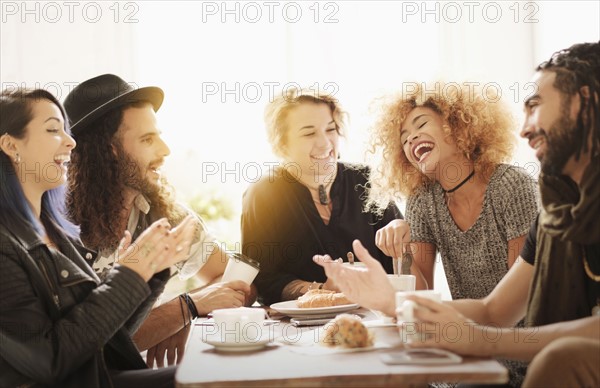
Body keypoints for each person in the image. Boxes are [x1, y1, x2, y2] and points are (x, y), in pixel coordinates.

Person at [316, 41, 600, 388]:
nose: (524, 129)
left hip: (516, 361)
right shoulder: (558, 215)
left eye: (536, 106)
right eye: (403, 137)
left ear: (586, 101)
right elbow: (494, 311)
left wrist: (480, 340)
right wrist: (393, 301)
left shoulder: (511, 186)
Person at [0, 88, 194, 387]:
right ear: (11, 144)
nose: (71, 141)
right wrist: (129, 275)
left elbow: (109, 338)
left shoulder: (57, 234)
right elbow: (48, 360)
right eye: (53, 129)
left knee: (226, 375)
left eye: (66, 130)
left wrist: (148, 275)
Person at [63, 74, 251, 367]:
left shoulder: (162, 211)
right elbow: (91, 348)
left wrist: (181, 314)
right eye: (148, 139)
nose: (165, 151)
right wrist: (182, 310)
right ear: (107, 151)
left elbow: (237, 280)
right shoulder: (56, 228)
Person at [368, 82, 539, 299]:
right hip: (469, 330)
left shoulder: (513, 186)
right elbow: (420, 298)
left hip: (528, 330)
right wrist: (403, 250)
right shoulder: (423, 200)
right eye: (404, 139)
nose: (411, 138)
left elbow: (524, 296)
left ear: (456, 125)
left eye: (421, 125)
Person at [241, 89, 403, 305]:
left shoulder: (367, 180)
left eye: (331, 129)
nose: (325, 143)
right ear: (281, 143)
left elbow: (401, 266)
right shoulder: (263, 194)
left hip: (375, 316)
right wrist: (321, 290)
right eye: (309, 133)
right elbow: (262, 280)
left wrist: (404, 232)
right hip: (297, 330)